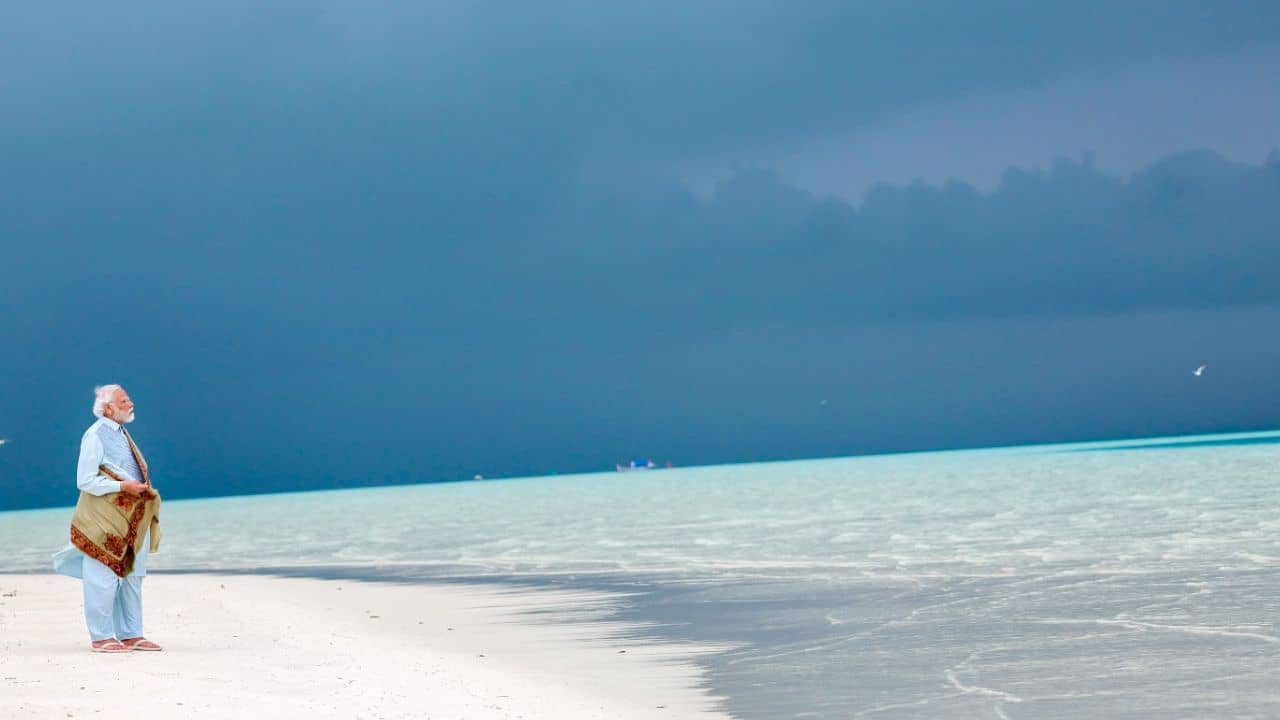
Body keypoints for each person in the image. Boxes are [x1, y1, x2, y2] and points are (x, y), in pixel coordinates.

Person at [52, 385, 163, 653]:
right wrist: (122, 487)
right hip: (104, 518)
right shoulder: (95, 435)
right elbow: (85, 480)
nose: (131, 403)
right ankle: (101, 637)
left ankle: (131, 634)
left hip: (131, 517)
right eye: (124, 400)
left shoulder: (122, 433)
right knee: (102, 576)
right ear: (108, 408)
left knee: (133, 574)